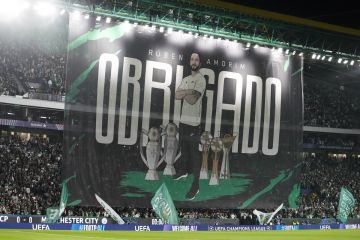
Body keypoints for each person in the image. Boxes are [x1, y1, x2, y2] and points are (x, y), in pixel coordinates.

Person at [174, 52, 206, 200]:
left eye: (196, 60)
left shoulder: (201, 80)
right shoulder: (186, 79)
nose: (194, 61)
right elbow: (176, 94)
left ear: (200, 63)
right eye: (192, 59)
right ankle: (182, 172)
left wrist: (184, 92)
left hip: (194, 124)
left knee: (194, 156)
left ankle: (196, 185)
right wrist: (189, 91)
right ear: (190, 61)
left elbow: (193, 100)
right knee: (183, 150)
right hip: (183, 122)